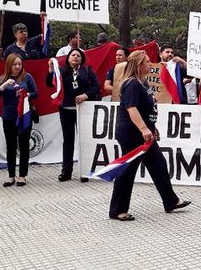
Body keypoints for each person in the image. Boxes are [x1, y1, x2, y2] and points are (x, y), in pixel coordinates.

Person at [109, 50, 190, 221]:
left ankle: (171, 201)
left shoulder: (143, 82)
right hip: (132, 132)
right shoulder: (131, 84)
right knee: (128, 170)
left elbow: (147, 108)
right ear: (139, 65)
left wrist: (151, 127)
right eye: (146, 61)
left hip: (144, 131)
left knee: (158, 164)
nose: (149, 63)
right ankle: (117, 210)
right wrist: (144, 129)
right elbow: (132, 108)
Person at [46, 48, 100, 182]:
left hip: (83, 110)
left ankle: (85, 170)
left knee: (84, 140)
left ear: (82, 59)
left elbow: (96, 86)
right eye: (73, 55)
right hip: (66, 109)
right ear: (68, 58)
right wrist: (51, 71)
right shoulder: (62, 71)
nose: (75, 57)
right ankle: (66, 171)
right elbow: (49, 84)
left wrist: (85, 95)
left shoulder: (87, 70)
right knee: (68, 140)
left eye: (78, 55)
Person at [0, 54, 38, 187]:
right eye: (14, 64)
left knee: (24, 146)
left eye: (19, 64)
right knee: (10, 146)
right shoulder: (2, 78)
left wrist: (27, 94)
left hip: (24, 116)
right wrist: (4, 85)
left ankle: (22, 175)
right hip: (9, 116)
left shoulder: (27, 77)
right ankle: (11, 175)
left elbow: (36, 93)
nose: (17, 67)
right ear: (9, 65)